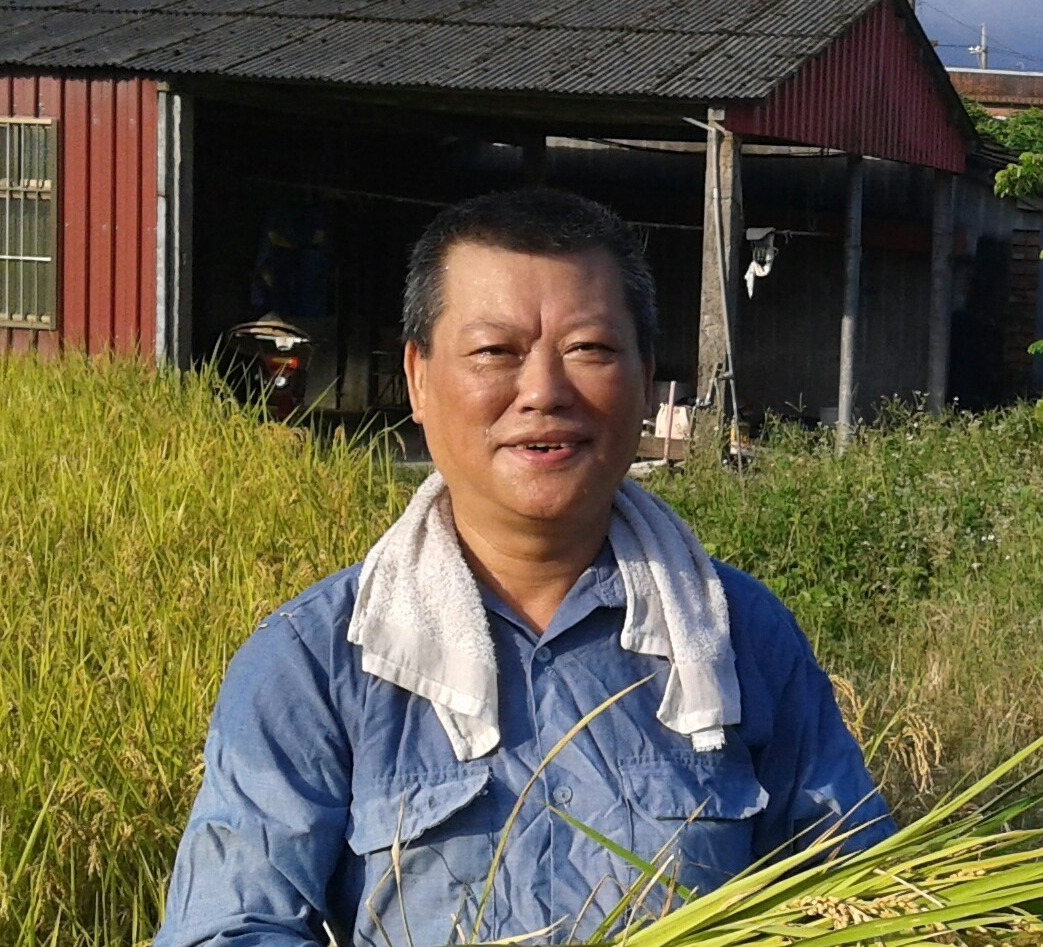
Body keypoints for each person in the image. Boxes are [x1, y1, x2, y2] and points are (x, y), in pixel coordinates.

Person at [156, 190, 892, 946]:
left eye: (591, 350)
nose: (543, 392)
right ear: (418, 378)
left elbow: (857, 896)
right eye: (494, 352)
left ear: (645, 379)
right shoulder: (314, 663)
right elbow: (230, 926)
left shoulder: (737, 638)